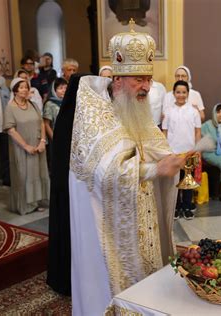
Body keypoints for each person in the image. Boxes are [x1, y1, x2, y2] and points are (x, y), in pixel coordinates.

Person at [69, 25, 185, 315]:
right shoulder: (95, 112)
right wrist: (154, 169)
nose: (146, 86)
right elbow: (104, 172)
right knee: (110, 289)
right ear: (118, 79)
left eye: (148, 78)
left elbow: (154, 146)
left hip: (142, 218)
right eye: (139, 79)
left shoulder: (137, 108)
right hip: (104, 225)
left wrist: (174, 161)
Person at [47, 73, 85, 296]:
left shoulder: (82, 115)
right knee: (67, 232)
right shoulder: (69, 116)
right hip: (68, 186)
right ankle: (65, 280)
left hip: (77, 185)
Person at [3, 78, 50, 215]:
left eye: (26, 87)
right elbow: (11, 130)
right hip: (21, 147)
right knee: (23, 174)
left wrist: (42, 141)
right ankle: (25, 205)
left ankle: (36, 202)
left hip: (37, 144)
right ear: (15, 90)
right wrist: (26, 146)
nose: (25, 90)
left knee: (37, 173)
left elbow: (41, 123)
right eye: (21, 87)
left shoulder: (33, 104)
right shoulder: (10, 108)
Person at [162, 80, 201, 220]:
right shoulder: (168, 111)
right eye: (178, 92)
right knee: (174, 182)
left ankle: (187, 206)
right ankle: (176, 207)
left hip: (189, 151)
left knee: (187, 181)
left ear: (188, 94)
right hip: (173, 151)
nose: (181, 95)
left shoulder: (193, 112)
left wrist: (197, 149)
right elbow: (165, 132)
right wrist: (165, 151)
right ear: (173, 94)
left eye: (184, 92)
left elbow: (197, 132)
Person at [43, 77, 68, 167]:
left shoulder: (68, 102)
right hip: (56, 138)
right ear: (54, 90)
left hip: (68, 137)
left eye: (65, 88)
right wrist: (55, 139)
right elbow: (46, 124)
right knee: (57, 163)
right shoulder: (50, 104)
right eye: (60, 88)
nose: (64, 90)